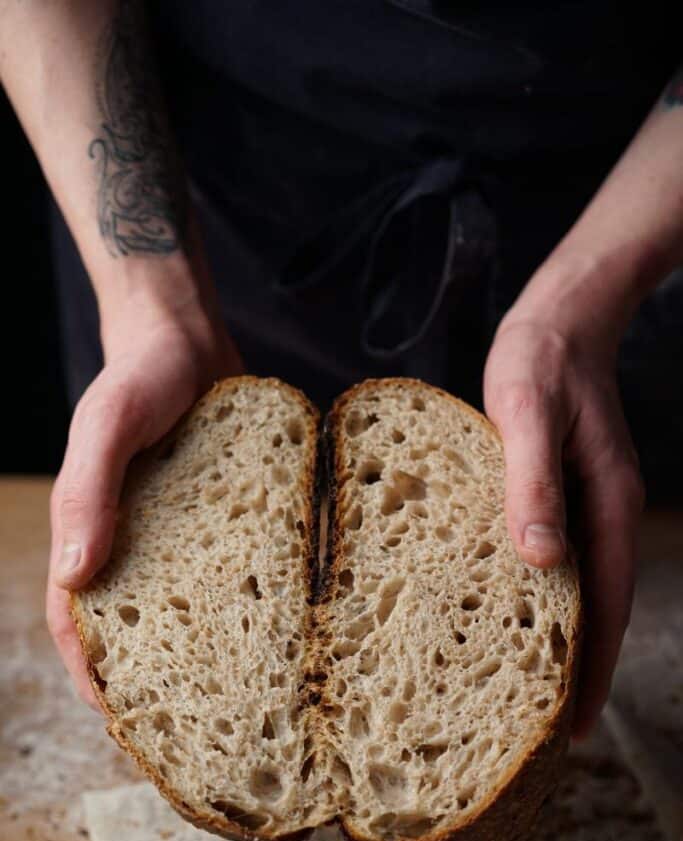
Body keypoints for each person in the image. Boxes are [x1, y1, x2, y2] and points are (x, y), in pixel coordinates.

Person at [1, 3, 681, 740]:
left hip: (621, 208)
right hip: (200, 199)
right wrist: (149, 301)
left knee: (574, 577)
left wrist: (582, 305)